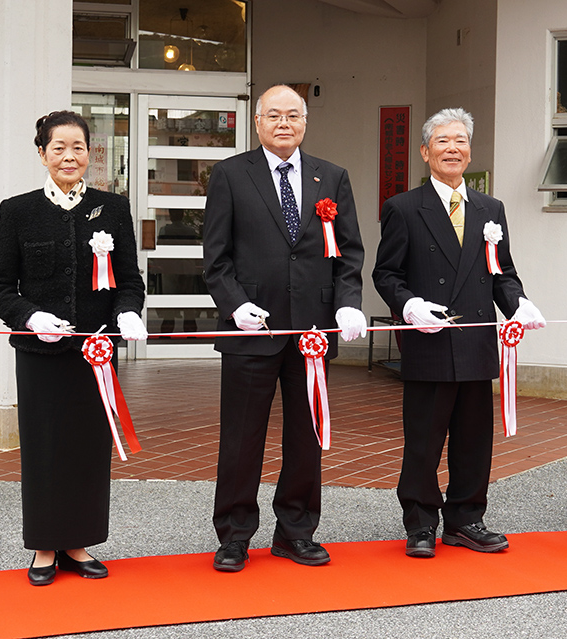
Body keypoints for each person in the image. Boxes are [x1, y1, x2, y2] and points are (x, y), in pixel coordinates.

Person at [202, 85, 366, 572]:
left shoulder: (331, 177)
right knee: (241, 438)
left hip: (313, 332)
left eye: (292, 115)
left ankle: (295, 531)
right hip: (251, 330)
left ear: (305, 121)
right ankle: (233, 535)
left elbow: (349, 254)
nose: (283, 123)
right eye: (273, 115)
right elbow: (216, 260)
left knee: (305, 435)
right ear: (257, 122)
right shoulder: (231, 175)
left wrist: (348, 305)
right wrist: (237, 307)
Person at [372, 108, 546, 558]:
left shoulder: (491, 209)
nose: (453, 148)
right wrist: (408, 305)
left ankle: (467, 518)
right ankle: (421, 522)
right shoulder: (403, 207)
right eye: (444, 141)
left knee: (473, 440)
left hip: (475, 341)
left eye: (461, 141)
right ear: (426, 151)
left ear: (469, 151)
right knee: (424, 440)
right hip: (429, 341)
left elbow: (503, 271)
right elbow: (386, 273)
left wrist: (519, 303)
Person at [0, 110, 147, 586]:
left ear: (90, 153)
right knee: (44, 448)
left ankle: (78, 543)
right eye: (59, 147)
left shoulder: (112, 209)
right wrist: (30, 317)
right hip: (40, 357)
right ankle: (42, 547)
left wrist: (128, 313)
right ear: (42, 154)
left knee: (87, 449)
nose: (69, 156)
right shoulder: (17, 211)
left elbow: (130, 282)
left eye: (78, 147)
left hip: (96, 354)